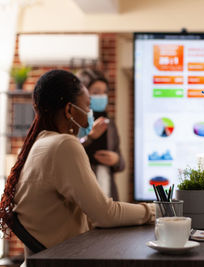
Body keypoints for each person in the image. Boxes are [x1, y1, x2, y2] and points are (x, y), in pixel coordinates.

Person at [0, 70, 155, 255]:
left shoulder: (39, 143)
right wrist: (156, 210)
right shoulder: (64, 144)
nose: (91, 113)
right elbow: (105, 214)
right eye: (88, 106)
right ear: (69, 110)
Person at [76, 69, 123, 200]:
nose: (101, 96)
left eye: (104, 92)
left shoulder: (109, 123)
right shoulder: (74, 121)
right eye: (96, 92)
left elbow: (122, 161)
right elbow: (69, 152)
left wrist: (116, 160)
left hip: (108, 190)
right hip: (84, 191)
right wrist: (89, 138)